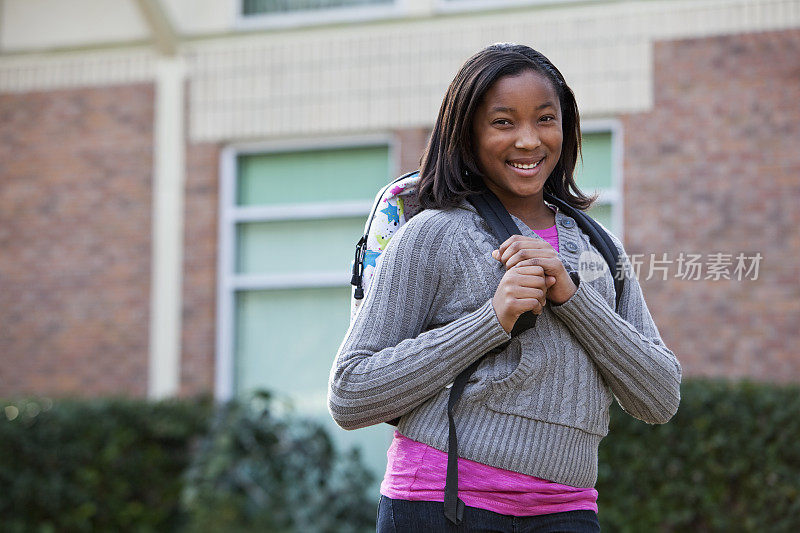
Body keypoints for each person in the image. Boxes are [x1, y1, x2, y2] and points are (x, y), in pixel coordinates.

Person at [328, 43, 681, 532]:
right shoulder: (435, 234)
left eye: (544, 119)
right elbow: (351, 392)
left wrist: (572, 297)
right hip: (441, 504)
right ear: (467, 133)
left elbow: (659, 398)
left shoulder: (602, 250)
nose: (529, 141)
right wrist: (489, 321)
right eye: (503, 122)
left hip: (566, 512)